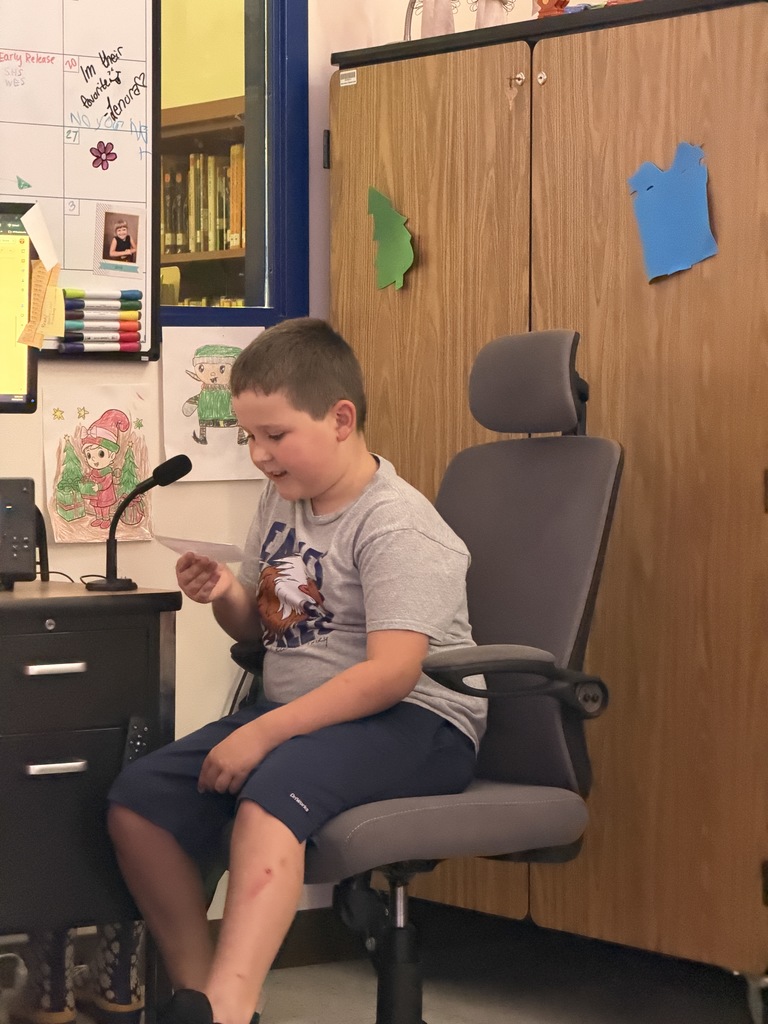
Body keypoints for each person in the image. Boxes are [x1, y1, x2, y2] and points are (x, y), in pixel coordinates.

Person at [106, 318, 487, 1024]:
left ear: (341, 419)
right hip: (308, 720)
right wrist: (225, 592)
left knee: (270, 791)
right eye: (249, 437)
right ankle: (202, 1001)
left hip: (417, 721)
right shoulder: (282, 502)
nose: (259, 455)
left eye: (274, 436)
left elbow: (391, 676)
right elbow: (263, 628)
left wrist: (262, 735)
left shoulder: (397, 525)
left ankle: (226, 1008)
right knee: (139, 802)